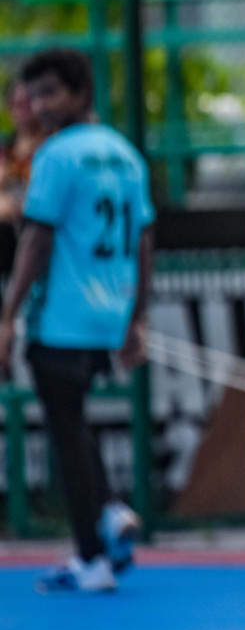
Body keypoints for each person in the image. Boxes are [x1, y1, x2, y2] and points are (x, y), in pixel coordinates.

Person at [0, 49, 154, 594]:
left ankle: (93, 555)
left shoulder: (58, 155)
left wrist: (7, 316)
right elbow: (144, 242)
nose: (39, 106)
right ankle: (108, 515)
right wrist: (136, 319)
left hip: (62, 317)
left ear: (81, 93)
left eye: (50, 93)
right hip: (107, 316)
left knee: (65, 435)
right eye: (34, 94)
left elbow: (37, 240)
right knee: (72, 421)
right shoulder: (126, 155)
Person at [0, 77, 47, 224]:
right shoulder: (7, 147)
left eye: (28, 103)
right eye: (17, 104)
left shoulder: (51, 146)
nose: (23, 110)